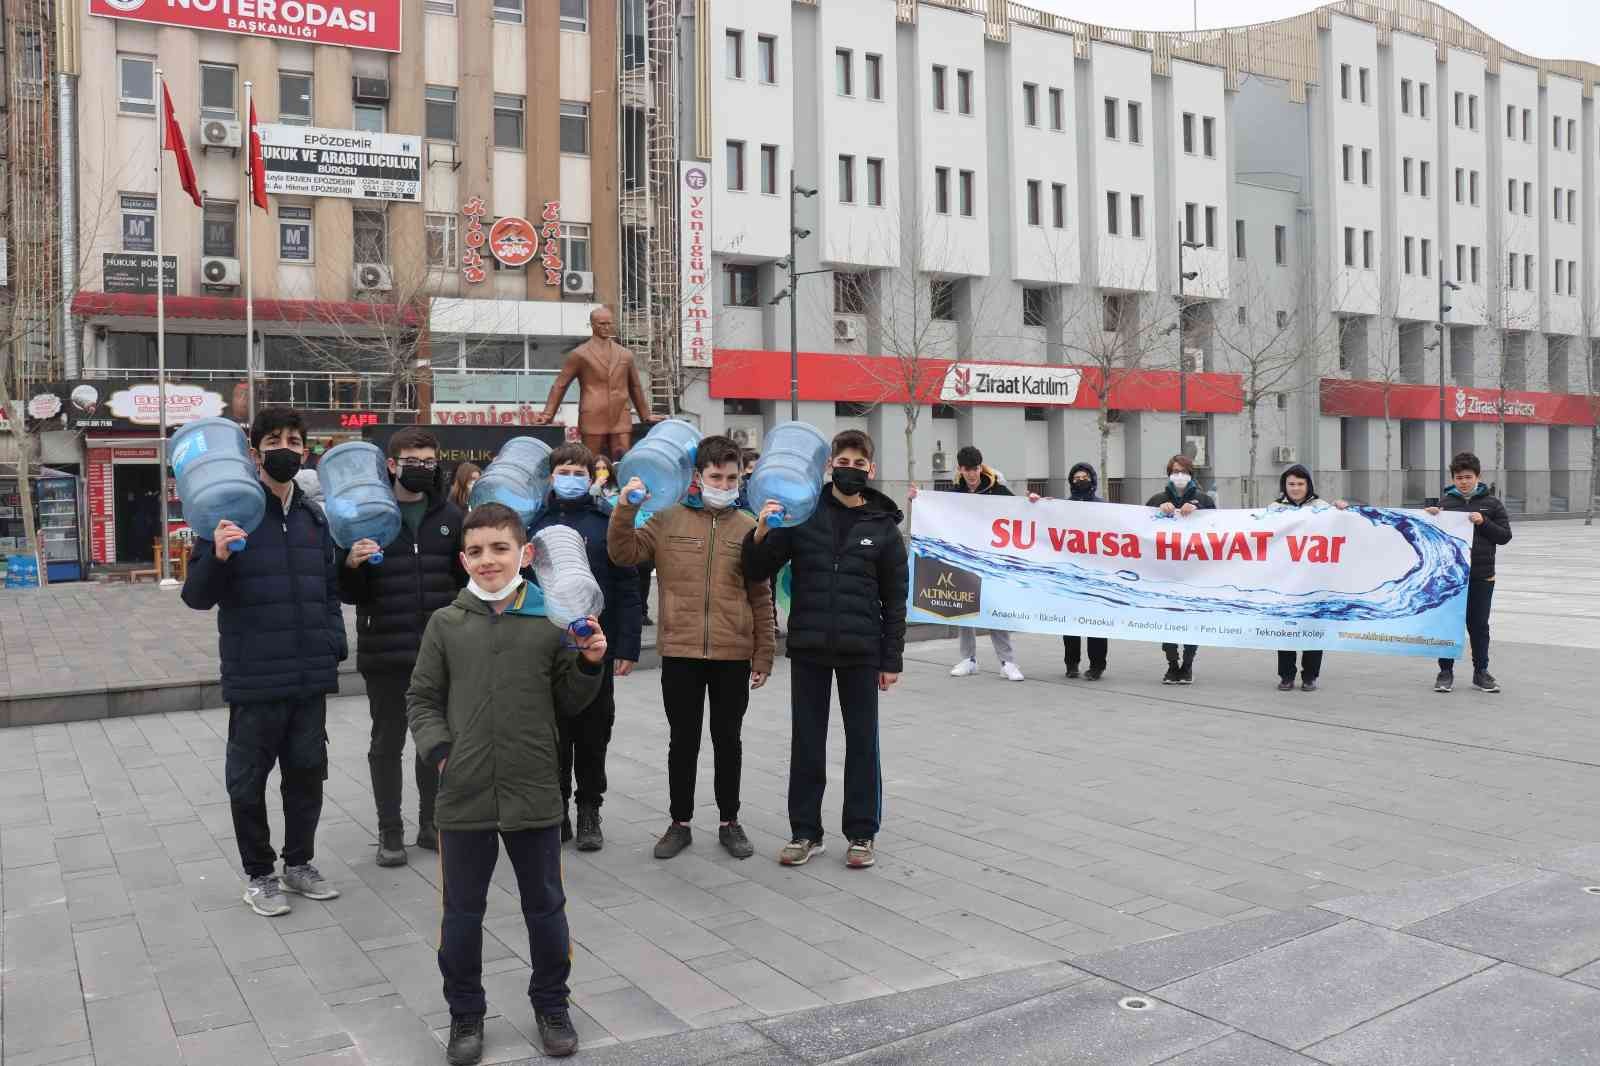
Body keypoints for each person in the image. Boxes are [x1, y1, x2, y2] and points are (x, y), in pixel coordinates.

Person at [407, 503, 605, 1064]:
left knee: (545, 906)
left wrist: (588, 662)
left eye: (499, 548)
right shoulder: (447, 622)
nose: (487, 560)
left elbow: (570, 699)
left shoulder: (550, 621)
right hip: (464, 793)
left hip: (533, 789)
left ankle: (552, 1005)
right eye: (475, 550)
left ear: (525, 554)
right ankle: (465, 1015)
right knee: (462, 914)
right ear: (463, 558)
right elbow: (421, 698)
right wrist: (442, 753)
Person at [181, 408, 346, 918]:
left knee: (307, 775)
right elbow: (196, 596)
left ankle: (299, 864)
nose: (285, 448)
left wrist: (332, 648)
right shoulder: (224, 515)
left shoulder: (313, 519)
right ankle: (259, 875)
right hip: (255, 677)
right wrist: (220, 555)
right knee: (247, 782)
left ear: (305, 451)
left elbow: (328, 593)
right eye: (274, 440)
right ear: (253, 452)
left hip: (308, 676)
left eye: (294, 441)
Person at [744, 430, 908, 871]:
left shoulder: (884, 527)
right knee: (807, 744)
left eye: (858, 463)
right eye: (843, 461)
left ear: (870, 469)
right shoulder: (803, 512)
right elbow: (757, 569)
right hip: (810, 646)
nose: (849, 469)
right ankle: (805, 832)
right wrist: (761, 531)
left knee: (862, 745)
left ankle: (861, 833)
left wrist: (891, 659)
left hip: (862, 650)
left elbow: (896, 600)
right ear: (828, 465)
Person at [607, 435, 775, 861]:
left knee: (728, 740)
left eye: (732, 477)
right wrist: (625, 506)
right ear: (699, 476)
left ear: (741, 478)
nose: (724, 483)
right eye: (716, 475)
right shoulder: (666, 520)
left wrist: (764, 652)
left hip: (732, 652)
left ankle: (729, 821)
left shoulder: (747, 526)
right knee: (682, 741)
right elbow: (623, 553)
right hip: (680, 651)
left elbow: (761, 595)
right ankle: (679, 822)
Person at [338, 428, 467, 867]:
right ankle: (389, 831)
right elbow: (349, 592)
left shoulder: (450, 516)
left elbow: (464, 583)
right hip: (385, 649)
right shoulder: (368, 515)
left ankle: (430, 823)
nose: (422, 468)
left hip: (439, 653)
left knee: (434, 740)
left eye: (429, 461)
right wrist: (351, 564)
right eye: (412, 460)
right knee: (387, 742)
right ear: (391, 465)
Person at [529, 443, 643, 852]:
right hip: (546, 648)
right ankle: (555, 807)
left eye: (580, 472)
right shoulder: (531, 522)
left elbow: (629, 584)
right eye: (565, 470)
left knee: (594, 733)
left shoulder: (606, 521)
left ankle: (589, 809)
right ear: (550, 475)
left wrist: (628, 644)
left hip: (596, 643)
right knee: (551, 733)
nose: (572, 479)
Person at [914, 445, 1024, 682]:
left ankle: (1007, 662)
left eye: (975, 469)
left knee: (996, 609)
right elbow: (936, 513)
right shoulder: (955, 492)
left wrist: (1034, 501)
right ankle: (968, 659)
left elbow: (1021, 512)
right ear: (960, 469)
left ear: (980, 467)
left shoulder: (998, 491)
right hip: (963, 559)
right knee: (964, 607)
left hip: (993, 560)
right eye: (967, 470)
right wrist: (919, 499)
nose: (971, 474)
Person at [1426, 452, 1512, 694]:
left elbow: (1504, 536)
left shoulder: (1492, 504)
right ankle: (1445, 672)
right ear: (1453, 479)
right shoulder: (1445, 504)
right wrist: (1431, 517)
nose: (1463, 482)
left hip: (1482, 576)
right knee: (1448, 624)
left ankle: (1481, 672)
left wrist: (1483, 521)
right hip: (1451, 578)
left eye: (1468, 477)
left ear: (1478, 477)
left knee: (1478, 626)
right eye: (1458, 478)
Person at [532, 306, 659, 460]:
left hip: (620, 415)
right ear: (592, 325)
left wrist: (645, 415)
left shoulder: (625, 354)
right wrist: (547, 414)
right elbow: (560, 385)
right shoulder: (580, 354)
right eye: (601, 324)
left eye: (609, 323)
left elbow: (635, 386)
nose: (606, 327)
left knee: (623, 461)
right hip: (593, 415)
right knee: (591, 461)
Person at [1269, 464, 1348, 692]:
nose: (1295, 488)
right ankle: (1286, 675)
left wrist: (1342, 509)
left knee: (1313, 627)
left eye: (1300, 484)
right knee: (1287, 628)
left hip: (1314, 579)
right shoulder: (1274, 509)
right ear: (1284, 486)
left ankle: (1310, 676)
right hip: (1285, 580)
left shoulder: (1321, 507)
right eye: (1291, 484)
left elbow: (1342, 525)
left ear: (1308, 485)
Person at [1147, 454, 1215, 685]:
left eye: (1183, 471)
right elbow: (1141, 530)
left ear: (1191, 474)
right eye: (1175, 471)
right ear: (1168, 474)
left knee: (1190, 620)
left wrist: (1198, 513)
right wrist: (1159, 511)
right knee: (1167, 620)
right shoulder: (1157, 499)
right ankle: (1172, 664)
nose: (1179, 475)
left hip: (1194, 573)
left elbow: (1218, 530)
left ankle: (1187, 665)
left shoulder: (1204, 500)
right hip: (1164, 573)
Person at [1061, 462, 1110, 681]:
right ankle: (1071, 664)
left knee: (1096, 621)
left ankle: (1097, 665)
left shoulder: (1102, 507)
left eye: (1084, 477)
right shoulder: (1063, 507)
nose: (1080, 481)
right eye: (1076, 478)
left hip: (1095, 573)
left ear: (1092, 479)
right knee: (1069, 620)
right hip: (1070, 572)